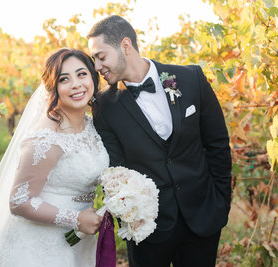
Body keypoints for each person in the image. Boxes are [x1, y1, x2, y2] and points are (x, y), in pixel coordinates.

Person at [87, 15, 232, 267]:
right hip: (148, 230)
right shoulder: (104, 107)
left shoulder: (191, 79)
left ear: (125, 46)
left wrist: (221, 201)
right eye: (94, 60)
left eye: (101, 57)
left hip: (202, 217)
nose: (97, 67)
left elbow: (217, 143)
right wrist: (131, 218)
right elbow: (116, 170)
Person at [0, 48, 109, 267]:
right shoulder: (46, 136)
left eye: (81, 74)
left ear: (93, 78)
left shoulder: (91, 125)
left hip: (78, 240)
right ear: (53, 87)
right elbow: (20, 201)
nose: (76, 84)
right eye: (64, 79)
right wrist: (76, 219)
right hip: (41, 244)